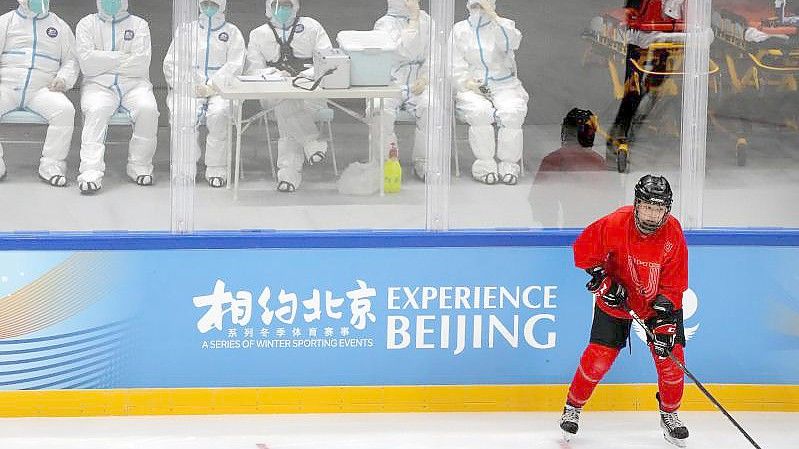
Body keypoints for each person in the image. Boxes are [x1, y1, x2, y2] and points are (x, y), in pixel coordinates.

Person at [559, 174, 690, 448]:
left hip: (658, 304)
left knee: (672, 362)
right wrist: (603, 280)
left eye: (659, 208)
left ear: (667, 209)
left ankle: (670, 414)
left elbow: (675, 280)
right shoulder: (616, 222)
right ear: (637, 204)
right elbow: (584, 251)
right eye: (648, 207)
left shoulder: (673, 232)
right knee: (598, 359)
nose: (653, 215)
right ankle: (573, 406)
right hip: (618, 300)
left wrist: (665, 316)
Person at [245, 0, 331, 192]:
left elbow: (327, 62)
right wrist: (276, 76)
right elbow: (254, 71)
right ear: (269, 6)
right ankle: (310, 141)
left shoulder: (312, 27)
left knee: (286, 106)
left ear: (295, 5)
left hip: (310, 91)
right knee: (285, 99)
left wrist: (303, 76)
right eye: (277, 4)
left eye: (286, 4)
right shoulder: (258, 34)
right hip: (272, 92)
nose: (282, 9)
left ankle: (288, 176)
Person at [75, 0, 160, 194]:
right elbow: (87, 64)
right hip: (98, 85)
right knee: (96, 111)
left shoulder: (139, 25)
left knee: (148, 109)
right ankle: (90, 172)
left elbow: (141, 63)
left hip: (135, 84)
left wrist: (102, 60)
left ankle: (139, 166)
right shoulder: (87, 24)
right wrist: (122, 56)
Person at [163, 0, 246, 188]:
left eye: (213, 3)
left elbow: (235, 65)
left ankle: (217, 168)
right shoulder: (185, 30)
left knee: (220, 115)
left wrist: (213, 86)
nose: (209, 7)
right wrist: (191, 85)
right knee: (183, 114)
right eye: (205, 3)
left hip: (222, 89)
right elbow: (172, 63)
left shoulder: (232, 32)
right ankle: (184, 169)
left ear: (222, 5)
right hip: (189, 88)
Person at [0, 0, 78, 186]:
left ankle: (52, 165)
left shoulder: (59, 26)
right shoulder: (6, 21)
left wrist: (64, 79)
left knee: (65, 111)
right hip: (7, 85)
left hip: (42, 88)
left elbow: (71, 61)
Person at [452, 0, 528, 186]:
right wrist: (466, 82)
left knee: (512, 112)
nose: (479, 7)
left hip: (504, 84)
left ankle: (509, 165)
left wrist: (494, 17)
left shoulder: (503, 26)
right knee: (479, 112)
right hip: (473, 86)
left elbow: (513, 42)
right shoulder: (460, 30)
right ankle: (485, 165)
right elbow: (453, 63)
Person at [371, 0, 431, 180]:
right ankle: (389, 160)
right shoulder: (383, 24)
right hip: (391, 81)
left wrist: (426, 77)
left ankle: (424, 161)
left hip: (419, 82)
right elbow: (400, 52)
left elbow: (435, 54)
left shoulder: (428, 21)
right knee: (378, 109)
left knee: (431, 107)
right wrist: (413, 21)